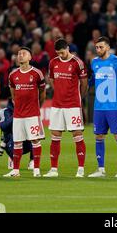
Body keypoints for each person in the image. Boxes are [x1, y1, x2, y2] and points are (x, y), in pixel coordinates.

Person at [43, 38, 88, 178]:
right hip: (57, 105)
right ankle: (53, 169)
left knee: (77, 135)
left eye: (62, 52)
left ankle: (80, 169)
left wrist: (78, 97)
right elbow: (51, 79)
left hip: (73, 105)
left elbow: (84, 83)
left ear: (67, 48)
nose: (60, 55)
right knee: (55, 136)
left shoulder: (77, 63)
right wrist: (59, 92)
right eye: (58, 53)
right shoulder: (53, 62)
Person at [88, 36, 117, 178]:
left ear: (107, 47)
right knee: (99, 136)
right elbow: (92, 80)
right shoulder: (94, 62)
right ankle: (101, 169)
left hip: (113, 105)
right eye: (96, 47)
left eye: (101, 47)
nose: (98, 49)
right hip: (99, 106)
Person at [4, 47, 46, 177]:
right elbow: (13, 94)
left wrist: (37, 106)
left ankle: (36, 170)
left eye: (24, 54)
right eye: (19, 54)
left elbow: (42, 93)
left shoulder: (37, 73)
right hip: (18, 115)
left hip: (32, 114)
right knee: (17, 142)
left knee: (35, 141)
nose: (20, 55)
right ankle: (16, 170)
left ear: (30, 57)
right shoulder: (13, 75)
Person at [0, 99, 34, 170]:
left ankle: (32, 160)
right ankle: (12, 158)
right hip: (11, 141)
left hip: (26, 141)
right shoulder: (5, 111)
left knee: (35, 136)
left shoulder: (27, 110)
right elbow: (3, 127)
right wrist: (16, 115)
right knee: (12, 139)